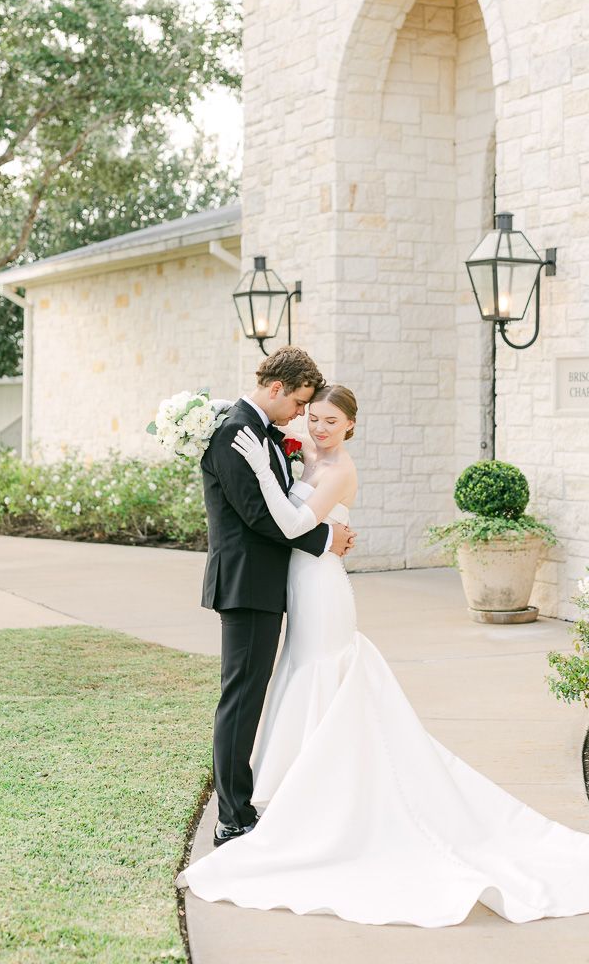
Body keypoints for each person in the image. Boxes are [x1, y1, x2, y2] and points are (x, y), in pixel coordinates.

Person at [179, 382, 589, 927]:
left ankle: (323, 805)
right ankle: (300, 798)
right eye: (313, 417)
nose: (317, 426)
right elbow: (287, 518)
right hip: (297, 583)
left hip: (321, 587)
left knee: (323, 679)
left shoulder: (339, 468)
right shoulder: (302, 457)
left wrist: (287, 497)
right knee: (298, 679)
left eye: (328, 420)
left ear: (350, 425)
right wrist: (273, 473)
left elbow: (293, 524)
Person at [199, 347, 355, 844]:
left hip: (273, 584)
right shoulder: (235, 432)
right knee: (241, 700)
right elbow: (257, 516)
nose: (299, 418)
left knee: (253, 696)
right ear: (275, 389)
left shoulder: (259, 431)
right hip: (247, 583)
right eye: (299, 404)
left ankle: (244, 805)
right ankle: (232, 816)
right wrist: (324, 540)